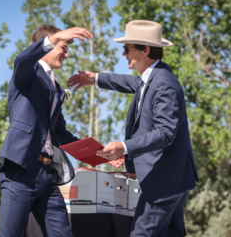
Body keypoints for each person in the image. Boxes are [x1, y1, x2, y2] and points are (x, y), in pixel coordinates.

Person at [68, 20, 199, 236]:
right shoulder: (152, 78)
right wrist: (96, 79)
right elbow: (130, 83)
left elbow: (165, 133)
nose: (123, 54)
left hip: (164, 181)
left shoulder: (162, 82)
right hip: (173, 179)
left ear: (145, 50)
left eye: (126, 49)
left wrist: (124, 146)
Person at [0, 25, 92, 237]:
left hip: (47, 175)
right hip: (19, 170)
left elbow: (62, 134)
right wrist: (56, 37)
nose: (66, 55)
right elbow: (22, 59)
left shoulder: (56, 89)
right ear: (47, 44)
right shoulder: (26, 72)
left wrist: (97, 155)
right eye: (63, 47)